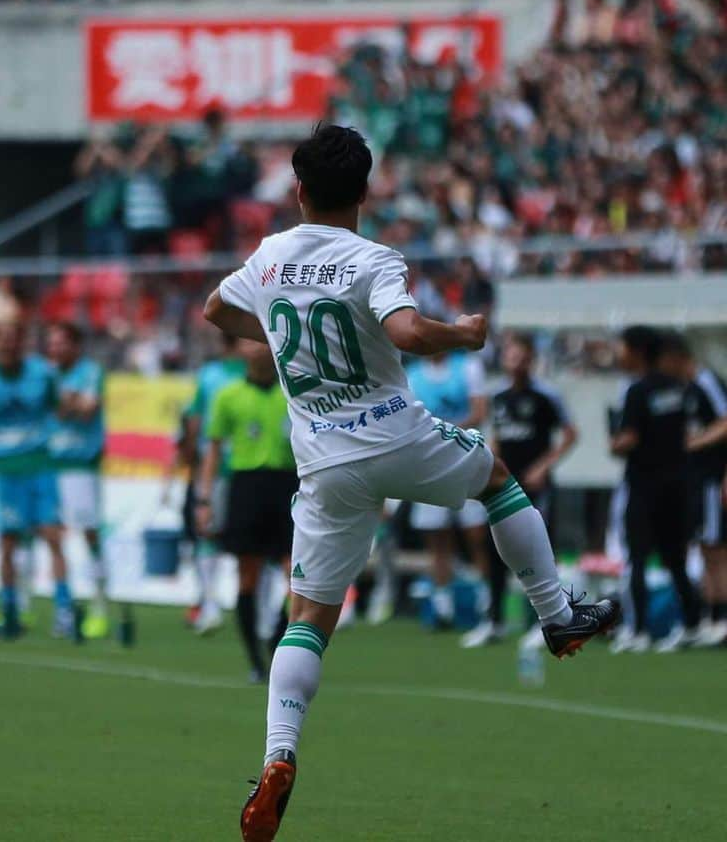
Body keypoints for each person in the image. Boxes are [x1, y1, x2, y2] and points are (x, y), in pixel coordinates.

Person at [202, 123, 619, 842]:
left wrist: (274, 331)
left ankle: (277, 756)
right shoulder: (372, 257)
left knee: (308, 619)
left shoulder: (270, 257)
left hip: (324, 461)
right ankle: (555, 613)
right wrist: (462, 333)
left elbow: (214, 311)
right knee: (493, 475)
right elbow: (404, 332)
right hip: (397, 435)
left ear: (299, 190)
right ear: (365, 192)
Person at [0, 318, 74, 639]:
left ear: (22, 342)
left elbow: (59, 406)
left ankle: (64, 610)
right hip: (7, 468)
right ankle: (9, 608)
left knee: (53, 535)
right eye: (1, 340)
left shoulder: (43, 374)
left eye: (14, 339)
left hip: (41, 463)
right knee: (8, 541)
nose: (8, 346)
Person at [196, 339, 296, 683]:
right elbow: (213, 449)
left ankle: (278, 635)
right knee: (247, 574)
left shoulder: (293, 392)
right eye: (249, 342)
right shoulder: (228, 395)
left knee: (296, 574)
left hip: (288, 484)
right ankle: (255, 658)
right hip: (246, 485)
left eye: (262, 341)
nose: (256, 349)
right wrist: (205, 499)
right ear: (239, 349)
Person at [477, 333, 578, 648]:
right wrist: (490, 465)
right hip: (504, 486)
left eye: (520, 356)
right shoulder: (499, 396)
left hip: (536, 486)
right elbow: (496, 436)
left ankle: (544, 621)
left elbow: (570, 434)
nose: (514, 361)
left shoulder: (546, 396)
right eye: (509, 355)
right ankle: (494, 621)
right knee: (496, 549)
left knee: (538, 551)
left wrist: (543, 467)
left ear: (531, 359)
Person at [609, 326, 702, 654]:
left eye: (622, 348)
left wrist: (615, 442)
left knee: (636, 558)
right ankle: (693, 624)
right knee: (675, 560)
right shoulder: (679, 388)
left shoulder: (636, 390)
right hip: (678, 484)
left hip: (644, 485)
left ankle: (639, 630)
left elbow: (629, 439)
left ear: (636, 351)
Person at [405, 347, 490, 638]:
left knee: (476, 535)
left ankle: (485, 600)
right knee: (437, 538)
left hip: (465, 460)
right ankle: (443, 606)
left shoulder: (467, 367)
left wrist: (446, 431)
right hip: (430, 466)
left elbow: (479, 412)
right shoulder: (413, 375)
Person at [46, 321, 110, 640]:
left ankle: (99, 607)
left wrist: (64, 402)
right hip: (49, 465)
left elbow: (86, 410)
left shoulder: (90, 372)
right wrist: (67, 401)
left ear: (75, 345)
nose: (54, 349)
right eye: (51, 343)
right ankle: (62, 607)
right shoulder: (46, 374)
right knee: (50, 536)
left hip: (81, 467)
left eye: (60, 343)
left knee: (89, 535)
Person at [182, 331, 246, 634]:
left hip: (228, 468)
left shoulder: (211, 375)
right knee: (211, 535)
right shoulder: (254, 371)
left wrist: (192, 465)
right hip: (233, 468)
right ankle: (211, 604)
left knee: (211, 536)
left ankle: (211, 605)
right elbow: (194, 421)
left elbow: (194, 423)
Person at [666, 334, 727, 647]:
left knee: (717, 550)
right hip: (697, 479)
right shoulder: (687, 388)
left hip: (712, 479)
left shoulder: (706, 382)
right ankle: (710, 617)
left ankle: (721, 618)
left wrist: (697, 442)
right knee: (705, 549)